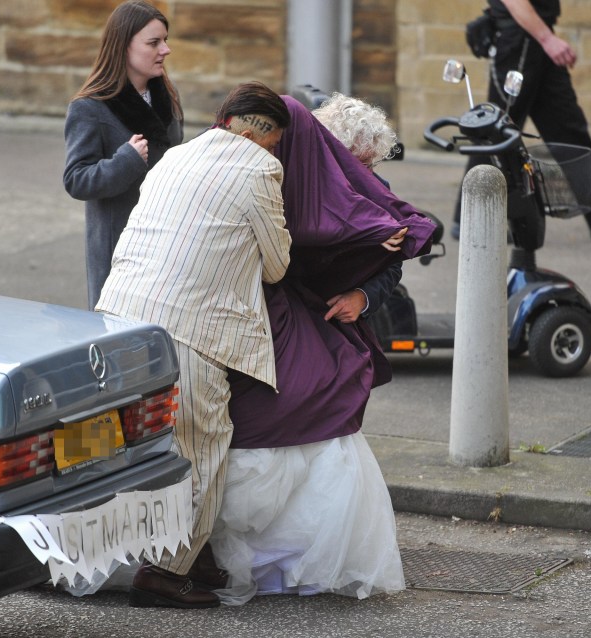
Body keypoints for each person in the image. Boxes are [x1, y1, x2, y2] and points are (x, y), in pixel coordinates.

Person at [207, 94, 437, 605]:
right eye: (356, 163)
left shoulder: (366, 189)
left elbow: (391, 259)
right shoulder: (272, 172)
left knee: (328, 404)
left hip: (324, 318)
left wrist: (363, 294)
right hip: (267, 311)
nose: (363, 176)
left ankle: (299, 553)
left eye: (371, 166)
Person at [96, 81, 293, 609]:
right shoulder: (259, 170)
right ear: (256, 129)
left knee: (121, 442)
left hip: (116, 318)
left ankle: (97, 554)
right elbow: (277, 264)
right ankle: (165, 570)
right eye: (275, 141)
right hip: (188, 328)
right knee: (200, 446)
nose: (275, 151)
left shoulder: (176, 156)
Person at [453, 0, 591, 242]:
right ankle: (467, 217)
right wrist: (547, 39)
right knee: (495, 131)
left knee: (567, 126)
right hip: (522, 40)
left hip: (534, 38)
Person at [63, 0, 183, 310]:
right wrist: (126, 161)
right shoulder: (89, 108)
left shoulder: (166, 97)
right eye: (154, 42)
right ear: (123, 46)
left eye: (165, 40)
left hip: (167, 243)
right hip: (120, 251)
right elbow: (77, 180)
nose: (165, 50)